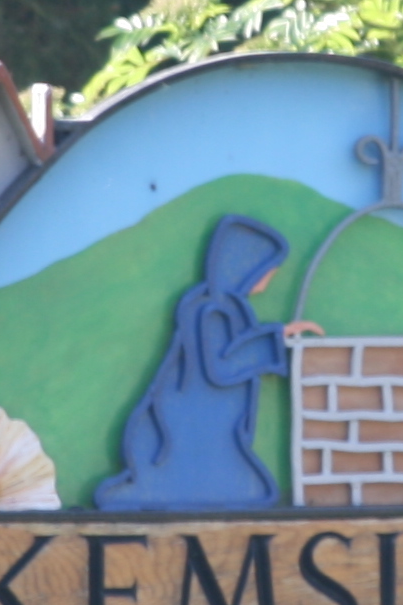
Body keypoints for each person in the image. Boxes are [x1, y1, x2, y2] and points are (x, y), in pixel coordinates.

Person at [92, 213, 323, 509]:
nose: (267, 280)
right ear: (243, 267)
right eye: (267, 271)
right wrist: (276, 336)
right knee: (230, 480)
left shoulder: (225, 306)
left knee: (240, 481)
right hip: (192, 414)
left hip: (206, 415)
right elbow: (222, 365)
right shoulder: (212, 310)